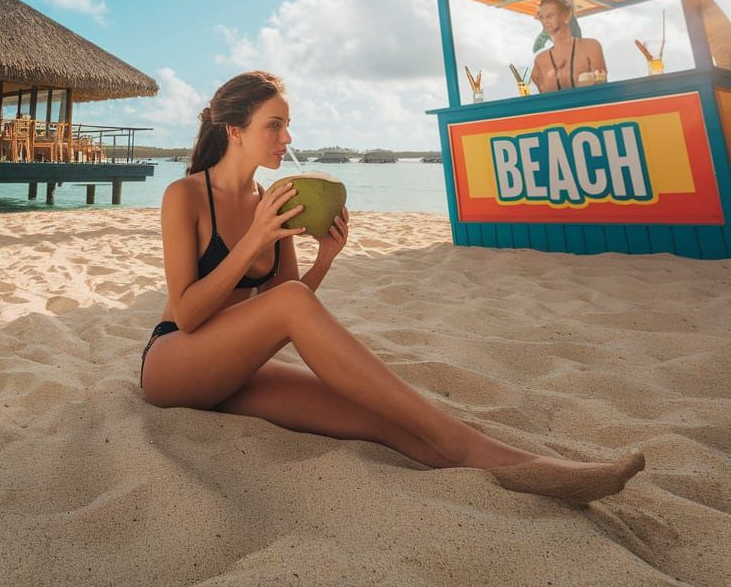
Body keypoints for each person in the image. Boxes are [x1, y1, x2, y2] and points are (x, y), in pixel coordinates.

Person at [139, 71, 645, 504]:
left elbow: (283, 306)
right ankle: (470, 445)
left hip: (235, 368)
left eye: (288, 125)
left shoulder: (276, 198)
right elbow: (187, 313)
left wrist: (326, 259)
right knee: (294, 310)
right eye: (275, 125)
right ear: (235, 130)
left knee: (377, 418)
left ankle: (532, 475)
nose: (286, 138)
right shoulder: (185, 196)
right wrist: (254, 240)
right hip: (175, 365)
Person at [531, 0, 606, 92]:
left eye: (549, 16)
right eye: (541, 17)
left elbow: (601, 83)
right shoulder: (540, 59)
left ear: (567, 16)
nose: (545, 21)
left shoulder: (591, 46)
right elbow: (544, 96)